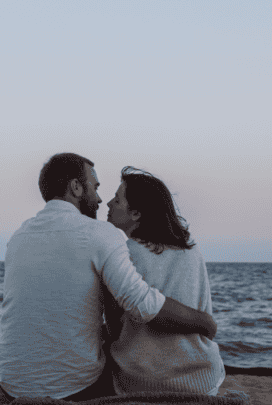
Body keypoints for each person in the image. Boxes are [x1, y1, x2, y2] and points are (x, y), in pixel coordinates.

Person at [0, 153, 218, 401]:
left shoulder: (18, 237)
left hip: (9, 382)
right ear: (76, 187)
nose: (101, 200)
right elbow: (141, 304)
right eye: (96, 187)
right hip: (75, 390)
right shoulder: (101, 234)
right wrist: (204, 322)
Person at [104, 166, 226, 395]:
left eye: (117, 199)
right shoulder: (191, 250)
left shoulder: (124, 253)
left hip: (142, 381)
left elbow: (114, 326)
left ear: (136, 213)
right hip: (201, 378)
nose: (108, 204)